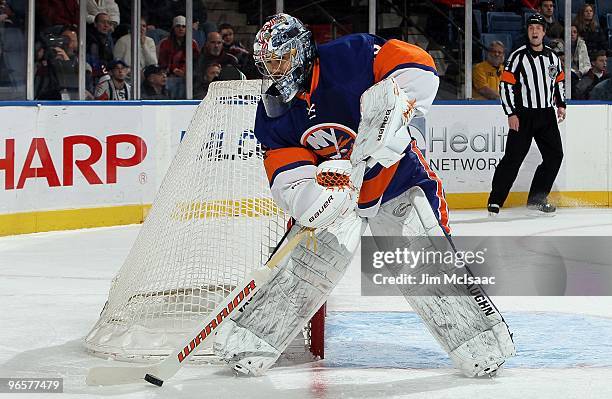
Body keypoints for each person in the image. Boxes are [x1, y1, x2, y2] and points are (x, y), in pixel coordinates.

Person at [211, 13, 514, 378]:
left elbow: (420, 68)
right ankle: (249, 341)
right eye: (268, 65)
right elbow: (287, 177)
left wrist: (393, 122)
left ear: (303, 51)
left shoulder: (351, 55)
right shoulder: (274, 112)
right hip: (336, 199)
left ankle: (482, 343)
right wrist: (315, 201)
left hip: (396, 181)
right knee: (300, 269)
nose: (276, 72)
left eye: (282, 60)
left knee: (427, 266)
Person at [489, 14, 566, 215]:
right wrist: (511, 113)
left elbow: (559, 82)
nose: (535, 31)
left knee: (555, 156)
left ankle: (537, 199)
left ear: (544, 32)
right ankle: (495, 201)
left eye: (538, 28)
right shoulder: (517, 56)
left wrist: (561, 105)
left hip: (547, 116)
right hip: (523, 115)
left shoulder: (552, 58)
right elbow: (505, 86)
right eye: (531, 28)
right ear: (528, 31)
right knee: (513, 159)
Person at [158, 15, 200, 99]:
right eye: (178, 26)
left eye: (183, 26)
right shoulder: (165, 43)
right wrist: (173, 70)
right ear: (173, 28)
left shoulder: (193, 43)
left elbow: (196, 61)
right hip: (170, 75)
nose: (181, 29)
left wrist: (186, 73)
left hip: (188, 75)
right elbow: (162, 62)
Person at [35, 25, 80, 99]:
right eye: (64, 39)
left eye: (71, 41)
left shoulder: (82, 64)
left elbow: (75, 87)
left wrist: (66, 62)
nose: (68, 44)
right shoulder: (48, 61)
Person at [87, 12, 114, 84]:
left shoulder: (109, 39)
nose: (106, 25)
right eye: (102, 22)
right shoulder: (91, 40)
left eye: (108, 23)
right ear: (95, 24)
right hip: (95, 75)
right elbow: (94, 63)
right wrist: (106, 72)